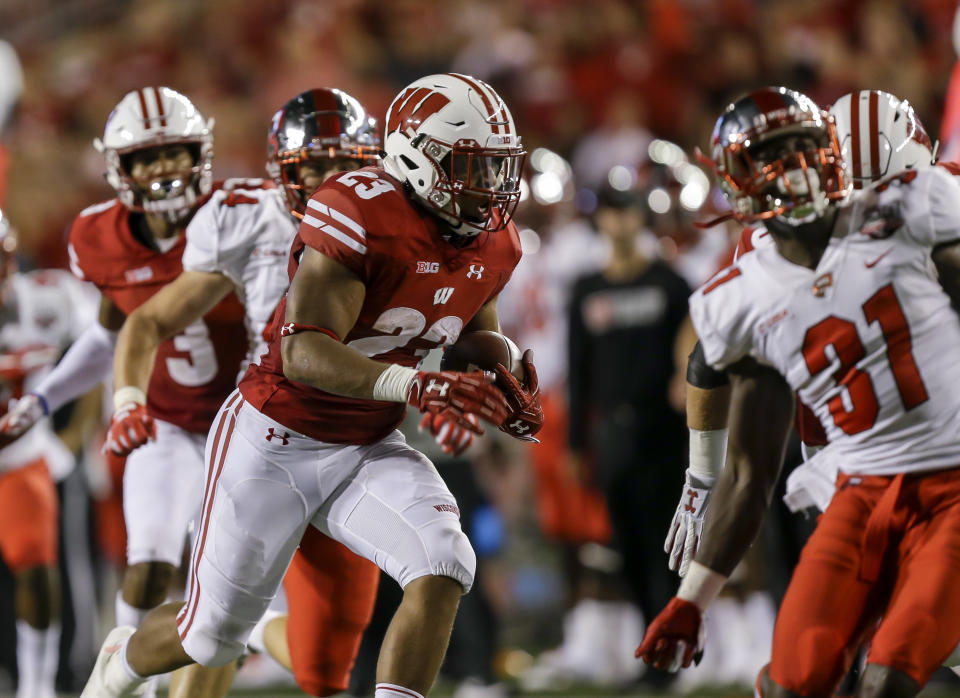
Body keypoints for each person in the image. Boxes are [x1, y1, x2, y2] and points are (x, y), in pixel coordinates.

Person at [79, 72, 542, 698]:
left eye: (495, 168)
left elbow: (472, 326)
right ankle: (120, 663)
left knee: (444, 562)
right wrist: (418, 386)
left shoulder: (496, 239)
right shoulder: (358, 211)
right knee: (210, 636)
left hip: (367, 444)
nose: (489, 187)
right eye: (471, 166)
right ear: (415, 156)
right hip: (274, 438)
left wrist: (506, 366)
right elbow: (303, 353)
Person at [637, 85, 960, 697]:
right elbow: (710, 369)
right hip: (845, 471)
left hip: (946, 462)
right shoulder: (758, 265)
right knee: (825, 669)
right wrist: (703, 475)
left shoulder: (929, 203)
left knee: (904, 667)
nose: (877, 203)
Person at [108, 86, 385, 697]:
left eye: (346, 166)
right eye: (315, 167)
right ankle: (114, 677)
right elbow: (148, 320)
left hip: (355, 437)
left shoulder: (401, 227)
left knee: (321, 665)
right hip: (267, 435)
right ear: (283, 172)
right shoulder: (247, 217)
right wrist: (126, 399)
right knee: (214, 624)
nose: (332, 183)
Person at [0, 86, 248, 697]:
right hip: (162, 420)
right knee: (148, 567)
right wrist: (44, 399)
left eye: (175, 152)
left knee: (229, 578)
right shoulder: (100, 237)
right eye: (145, 157)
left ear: (202, 153)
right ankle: (117, 686)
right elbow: (105, 336)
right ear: (119, 167)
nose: (162, 169)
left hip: (247, 420)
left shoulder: (243, 218)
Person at [664, 88, 938, 579]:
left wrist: (705, 474)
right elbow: (709, 358)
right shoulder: (776, 244)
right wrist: (704, 474)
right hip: (846, 457)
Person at [0, 209, 99, 698]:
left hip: (20, 459)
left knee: (38, 569)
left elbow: (100, 348)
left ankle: (36, 686)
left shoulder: (49, 298)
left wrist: (77, 432)